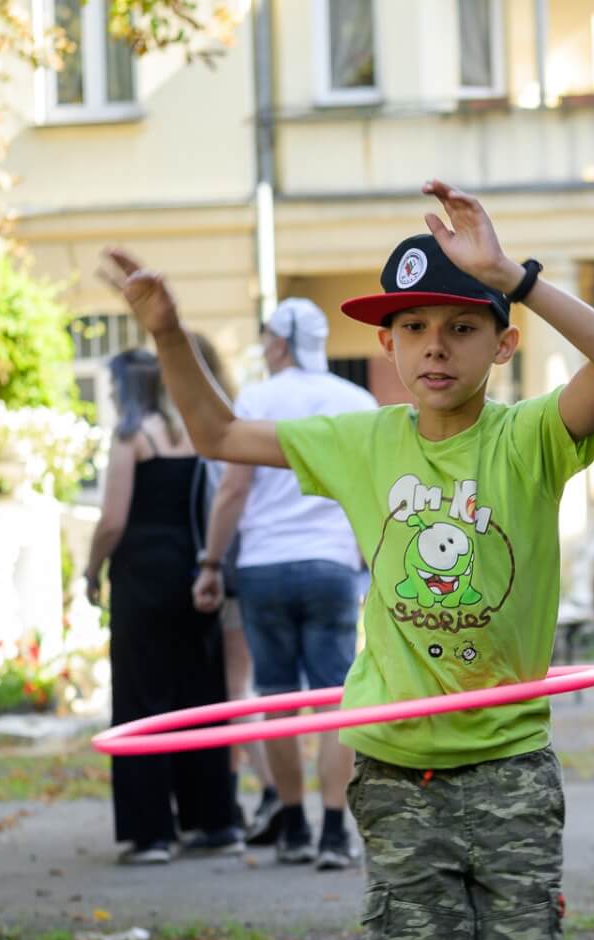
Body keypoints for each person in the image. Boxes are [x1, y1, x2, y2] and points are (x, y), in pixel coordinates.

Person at [100, 179, 594, 940]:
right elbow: (209, 429)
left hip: (509, 766)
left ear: (501, 344)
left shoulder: (534, 440)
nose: (432, 348)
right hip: (396, 771)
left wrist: (516, 274)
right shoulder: (358, 440)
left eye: (459, 327)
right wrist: (164, 334)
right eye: (411, 331)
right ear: (385, 347)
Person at [194, 297, 377, 870]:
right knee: (332, 703)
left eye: (267, 338)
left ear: (279, 343)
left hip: (264, 569)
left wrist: (210, 563)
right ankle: (331, 832)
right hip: (330, 566)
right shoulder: (357, 403)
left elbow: (233, 491)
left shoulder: (256, 399)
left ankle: (292, 825)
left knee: (276, 699)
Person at [84, 348, 244, 865]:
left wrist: (90, 570)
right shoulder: (188, 435)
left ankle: (152, 832)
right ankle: (215, 820)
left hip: (141, 577)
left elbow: (112, 519)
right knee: (199, 694)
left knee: (141, 698)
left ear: (127, 389)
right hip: (191, 567)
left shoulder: (132, 436)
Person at [189, 336, 280, 837]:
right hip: (246, 564)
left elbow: (230, 496)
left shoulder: (218, 429)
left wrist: (210, 563)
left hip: (237, 568)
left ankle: (271, 792)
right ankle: (242, 797)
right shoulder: (237, 414)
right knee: (238, 686)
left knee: (236, 689)